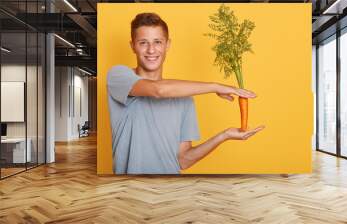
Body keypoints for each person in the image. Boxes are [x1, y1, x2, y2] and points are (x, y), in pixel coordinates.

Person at [107, 12, 264, 174]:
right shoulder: (118, 76)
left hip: (172, 190)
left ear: (167, 45)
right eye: (143, 43)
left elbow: (183, 160)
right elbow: (158, 90)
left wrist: (224, 135)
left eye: (158, 42)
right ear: (132, 46)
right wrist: (216, 86)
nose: (151, 50)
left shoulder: (185, 97)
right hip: (130, 190)